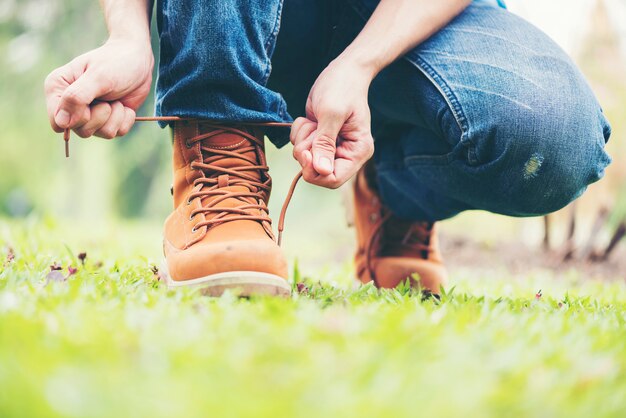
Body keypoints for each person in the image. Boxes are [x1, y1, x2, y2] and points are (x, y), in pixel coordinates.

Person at [44, 0, 611, 296]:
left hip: (402, 20)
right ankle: (218, 159)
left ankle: (393, 184)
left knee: (556, 137)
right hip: (237, 22)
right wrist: (129, 36)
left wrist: (360, 64)